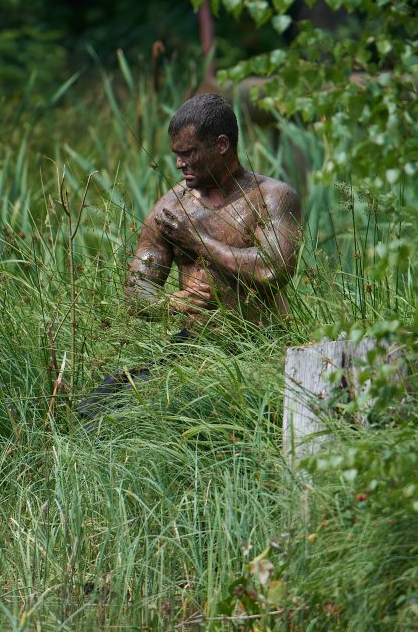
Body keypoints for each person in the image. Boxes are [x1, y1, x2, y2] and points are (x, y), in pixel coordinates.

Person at [77, 93, 302, 419]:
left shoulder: (273, 197)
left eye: (189, 153)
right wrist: (171, 304)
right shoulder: (171, 209)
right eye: (176, 155)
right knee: (101, 405)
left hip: (261, 343)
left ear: (221, 145)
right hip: (194, 346)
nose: (179, 163)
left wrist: (197, 240)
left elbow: (272, 269)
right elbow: (135, 289)